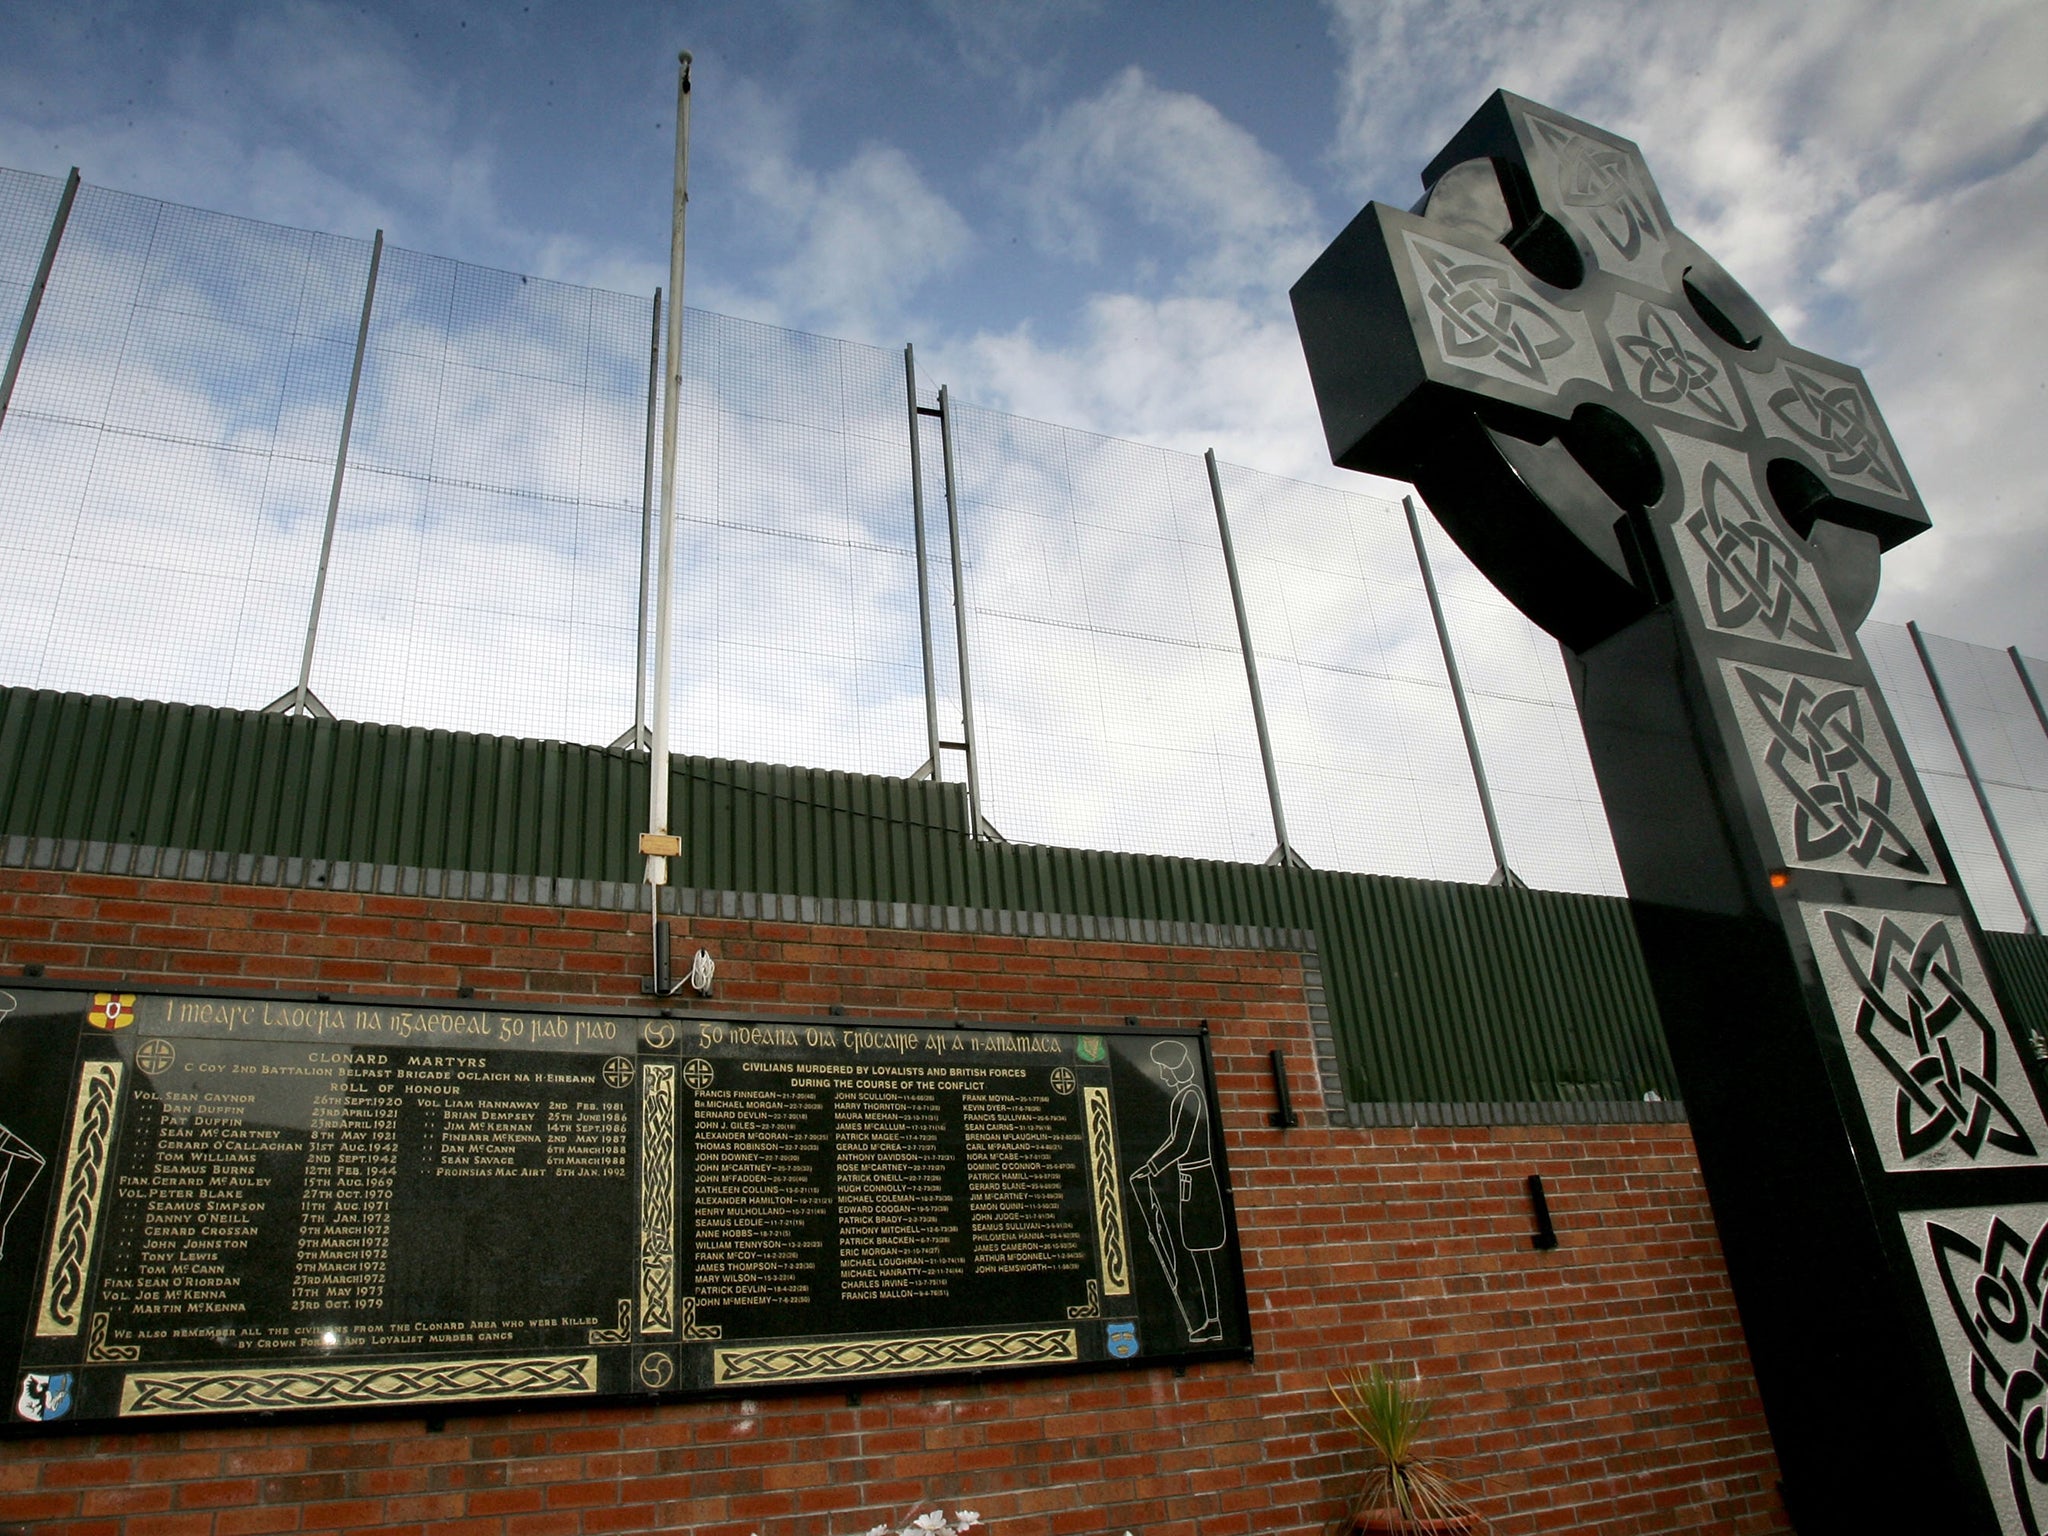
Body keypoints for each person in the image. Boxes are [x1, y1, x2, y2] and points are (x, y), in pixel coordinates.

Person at [1128, 1039, 1223, 1342]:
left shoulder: (1192, 1095)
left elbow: (1182, 1144)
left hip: (1200, 1182)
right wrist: (1151, 1165)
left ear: (1176, 1068)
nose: (1163, 1076)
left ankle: (1213, 1320)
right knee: (1197, 1255)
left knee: (1203, 1254)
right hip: (1188, 1183)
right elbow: (1173, 1140)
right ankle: (1210, 1319)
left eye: (1166, 1069)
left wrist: (1152, 1167)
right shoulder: (1181, 1096)